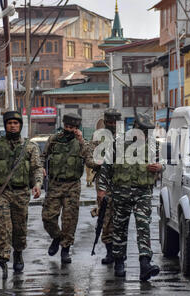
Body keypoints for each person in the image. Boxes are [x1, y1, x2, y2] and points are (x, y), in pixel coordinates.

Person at [0, 111, 43, 279]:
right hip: (1, 193)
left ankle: (18, 252)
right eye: (9, 123)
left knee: (19, 229)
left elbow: (36, 168)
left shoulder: (29, 147)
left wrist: (38, 184)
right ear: (5, 126)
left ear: (20, 125)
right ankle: (3, 260)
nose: (12, 125)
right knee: (3, 227)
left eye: (16, 123)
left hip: (21, 193)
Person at [97, 113, 162, 281]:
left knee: (143, 226)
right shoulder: (118, 145)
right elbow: (106, 168)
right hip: (121, 193)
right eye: (143, 132)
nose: (146, 136)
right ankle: (119, 262)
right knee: (119, 227)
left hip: (143, 193)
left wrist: (160, 167)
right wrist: (102, 190)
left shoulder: (153, 147)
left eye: (148, 133)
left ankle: (145, 264)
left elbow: (165, 165)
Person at [41, 113, 97, 264]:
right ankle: (57, 237)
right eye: (66, 126)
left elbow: (90, 161)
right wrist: (41, 168)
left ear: (77, 128)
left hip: (72, 185)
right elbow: (42, 156)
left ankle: (65, 249)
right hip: (55, 184)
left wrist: (81, 140)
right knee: (48, 217)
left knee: (70, 220)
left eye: (72, 128)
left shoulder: (81, 143)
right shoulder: (54, 140)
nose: (68, 129)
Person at [91, 108, 121, 265]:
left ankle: (119, 252)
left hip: (122, 184)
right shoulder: (98, 138)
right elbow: (90, 157)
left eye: (115, 122)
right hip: (104, 184)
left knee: (121, 220)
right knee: (106, 218)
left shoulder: (126, 138)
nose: (112, 125)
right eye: (109, 122)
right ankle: (110, 252)